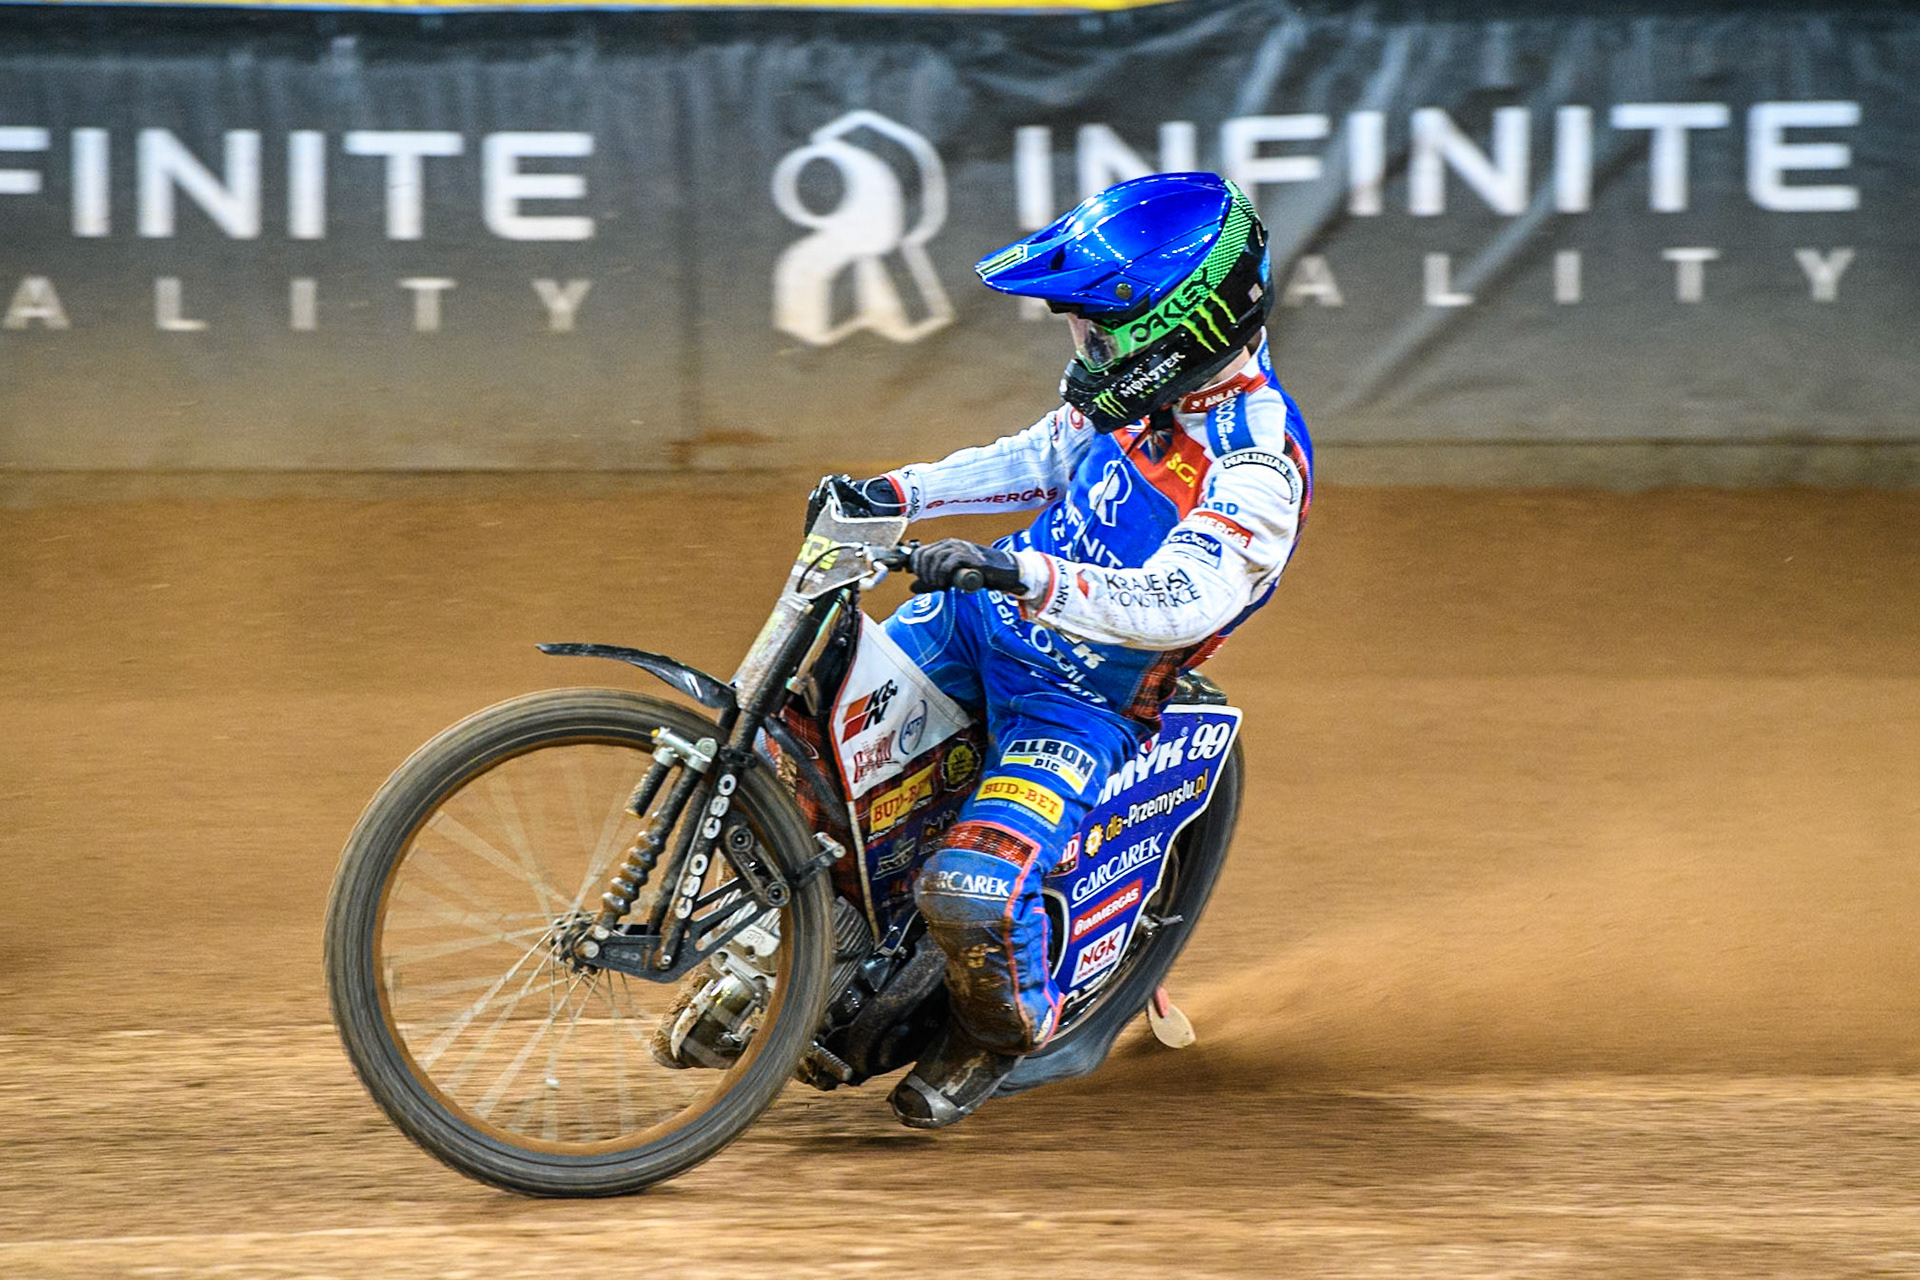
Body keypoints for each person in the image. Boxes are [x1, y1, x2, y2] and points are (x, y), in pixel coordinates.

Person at [807, 171, 1313, 1129]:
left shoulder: (1256, 460)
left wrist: (1031, 580)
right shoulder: (1136, 396)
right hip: (974, 624)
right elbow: (1038, 455)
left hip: (1079, 701)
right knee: (814, 738)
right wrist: (894, 495)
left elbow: (1181, 600)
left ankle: (1002, 1032)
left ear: (1185, 326)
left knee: (970, 892)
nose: (1084, 345)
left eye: (1101, 327)